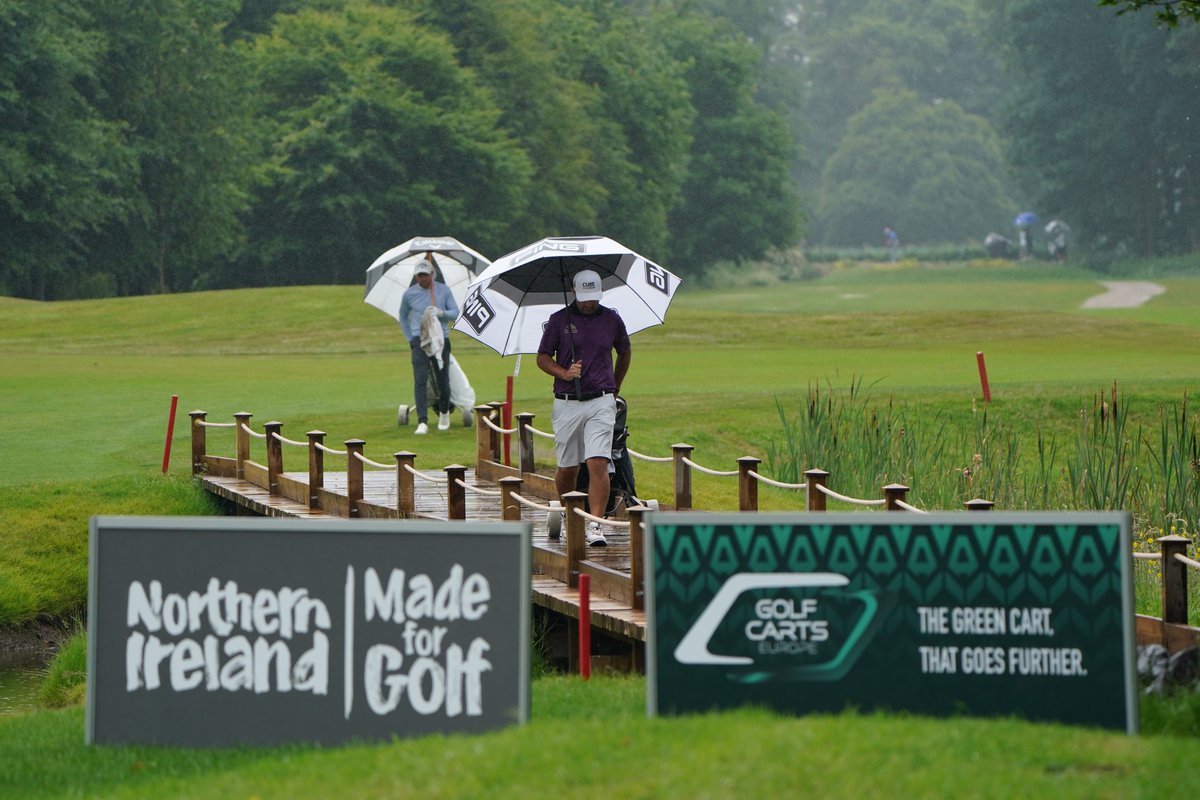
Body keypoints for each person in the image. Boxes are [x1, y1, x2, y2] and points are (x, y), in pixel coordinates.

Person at [536, 269, 631, 547]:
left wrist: (616, 385)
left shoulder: (611, 318)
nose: (590, 303)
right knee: (568, 468)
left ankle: (595, 524)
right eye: (586, 297)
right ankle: (569, 516)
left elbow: (624, 351)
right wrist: (564, 373)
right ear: (575, 292)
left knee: (598, 461)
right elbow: (542, 358)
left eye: (594, 298)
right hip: (567, 402)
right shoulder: (558, 321)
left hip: (601, 400)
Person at [397, 255, 459, 434]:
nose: (422, 278)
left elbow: (455, 313)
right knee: (420, 379)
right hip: (419, 340)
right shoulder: (409, 294)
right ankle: (422, 421)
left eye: (425, 275)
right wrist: (410, 338)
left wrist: (441, 312)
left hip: (440, 339)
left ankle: (445, 414)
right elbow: (402, 316)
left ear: (432, 274)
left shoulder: (443, 290)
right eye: (419, 275)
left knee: (442, 378)